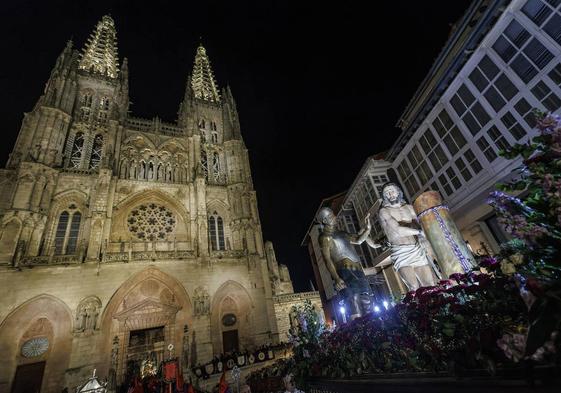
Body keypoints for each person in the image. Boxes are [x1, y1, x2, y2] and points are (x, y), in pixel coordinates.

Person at [316, 207, 380, 319]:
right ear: (325, 221)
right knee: (353, 302)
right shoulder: (325, 237)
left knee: (367, 301)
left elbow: (359, 240)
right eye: (331, 216)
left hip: (358, 269)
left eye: (333, 214)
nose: (334, 217)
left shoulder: (342, 233)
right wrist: (336, 278)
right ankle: (358, 332)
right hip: (345, 271)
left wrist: (368, 229)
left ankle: (375, 329)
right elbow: (327, 259)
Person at [378, 183, 439, 291]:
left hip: (416, 249)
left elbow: (421, 224)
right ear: (384, 197)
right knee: (414, 287)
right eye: (386, 193)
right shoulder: (384, 211)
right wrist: (419, 232)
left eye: (392, 190)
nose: (390, 194)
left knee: (430, 284)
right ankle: (418, 307)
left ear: (398, 191)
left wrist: (423, 238)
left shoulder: (409, 208)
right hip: (400, 252)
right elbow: (398, 230)